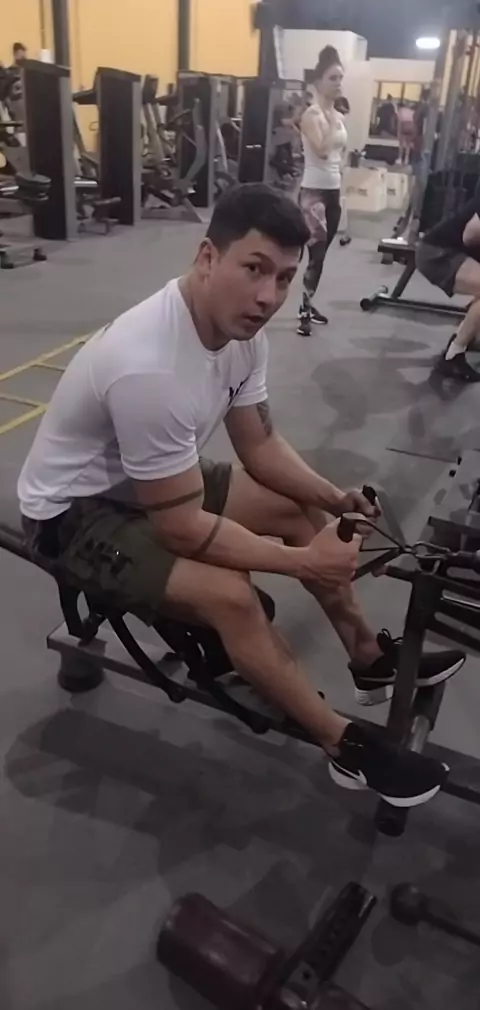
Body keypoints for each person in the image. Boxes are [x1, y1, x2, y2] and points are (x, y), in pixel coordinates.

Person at [18, 183, 464, 808]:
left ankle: (368, 657)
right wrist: (302, 563)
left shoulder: (242, 332)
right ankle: (343, 746)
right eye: (254, 269)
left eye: (284, 278)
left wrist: (331, 497)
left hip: (147, 479)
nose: (268, 297)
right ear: (208, 257)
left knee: (294, 507)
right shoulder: (150, 366)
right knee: (232, 596)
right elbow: (181, 529)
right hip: (73, 514)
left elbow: (260, 444)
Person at [297, 47, 347, 337]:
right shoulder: (311, 115)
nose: (339, 83)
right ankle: (304, 312)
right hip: (313, 193)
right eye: (333, 78)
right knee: (315, 253)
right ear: (319, 82)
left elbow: (340, 155)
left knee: (322, 255)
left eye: (341, 78)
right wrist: (329, 118)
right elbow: (323, 150)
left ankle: (307, 303)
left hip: (333, 192)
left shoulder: (338, 116)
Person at [416, 189, 480, 381]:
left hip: (450, 251)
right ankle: (453, 355)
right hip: (437, 253)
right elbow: (470, 235)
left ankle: (465, 338)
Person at [397, 100, 415, 166]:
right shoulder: (413, 112)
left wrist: (398, 132)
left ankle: (400, 158)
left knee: (401, 145)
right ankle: (406, 159)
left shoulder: (401, 111)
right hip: (410, 129)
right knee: (408, 145)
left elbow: (399, 122)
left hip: (403, 128)